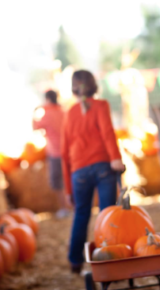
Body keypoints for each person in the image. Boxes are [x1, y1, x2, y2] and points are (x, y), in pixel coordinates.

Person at [61, 70, 125, 273]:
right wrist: (115, 158)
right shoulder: (101, 105)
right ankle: (108, 260)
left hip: (78, 171)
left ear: (74, 88)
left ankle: (75, 261)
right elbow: (107, 132)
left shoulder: (69, 114)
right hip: (103, 167)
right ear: (93, 86)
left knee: (81, 213)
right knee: (106, 214)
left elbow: (64, 153)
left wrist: (68, 190)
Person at [32, 90, 70, 218]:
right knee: (69, 179)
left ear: (47, 100)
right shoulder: (63, 112)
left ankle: (64, 208)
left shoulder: (47, 115)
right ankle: (74, 206)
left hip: (55, 153)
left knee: (57, 181)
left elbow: (35, 127)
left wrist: (35, 112)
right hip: (68, 151)